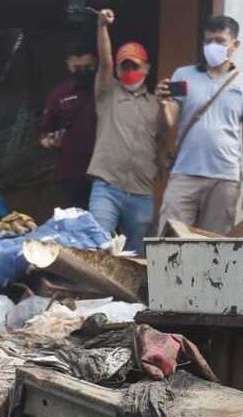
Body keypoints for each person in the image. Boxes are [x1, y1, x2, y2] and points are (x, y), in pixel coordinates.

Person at [156, 15, 243, 234]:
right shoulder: (182, 75)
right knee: (169, 238)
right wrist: (162, 104)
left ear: (235, 44)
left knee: (215, 247)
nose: (213, 46)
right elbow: (168, 121)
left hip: (225, 178)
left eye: (220, 41)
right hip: (185, 173)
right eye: (208, 41)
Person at [86, 9, 159, 256]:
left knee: (138, 255)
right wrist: (101, 27)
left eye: (134, 65)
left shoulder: (156, 104)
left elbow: (161, 144)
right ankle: (96, 294)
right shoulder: (108, 93)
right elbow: (105, 60)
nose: (128, 70)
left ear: (146, 68)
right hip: (108, 185)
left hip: (142, 191)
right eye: (123, 65)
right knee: (98, 246)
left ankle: (131, 297)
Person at [38, 38, 98, 209]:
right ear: (68, 65)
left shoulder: (106, 90)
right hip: (72, 172)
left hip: (104, 174)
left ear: (96, 63)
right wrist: (49, 141)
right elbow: (43, 132)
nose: (83, 72)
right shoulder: (59, 94)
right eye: (77, 69)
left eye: (88, 68)